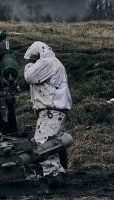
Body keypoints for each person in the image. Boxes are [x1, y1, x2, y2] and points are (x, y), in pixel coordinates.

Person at [24, 41, 72, 188]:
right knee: (50, 143)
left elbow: (29, 76)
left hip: (51, 110)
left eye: (32, 58)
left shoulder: (47, 62)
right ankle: (57, 172)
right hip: (54, 109)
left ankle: (52, 175)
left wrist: (28, 65)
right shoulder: (53, 62)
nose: (31, 61)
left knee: (42, 143)